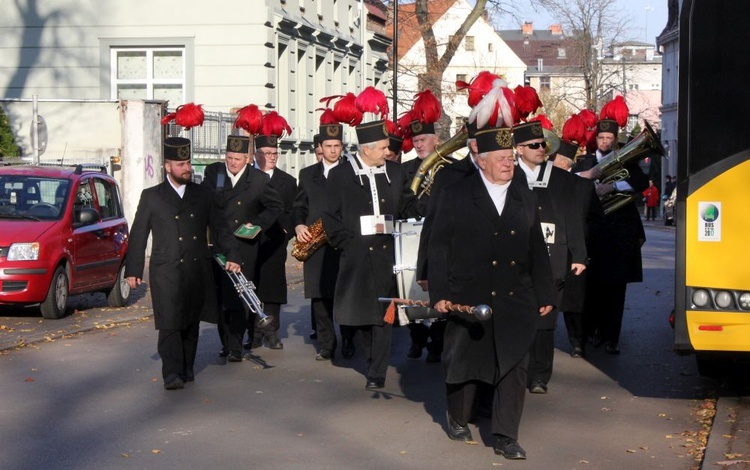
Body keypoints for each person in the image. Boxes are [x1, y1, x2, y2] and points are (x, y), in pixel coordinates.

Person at [428, 125, 554, 459]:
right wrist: (439, 292)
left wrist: (545, 294)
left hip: (515, 295)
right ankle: (458, 416)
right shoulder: (457, 193)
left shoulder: (523, 193)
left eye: (510, 157)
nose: (508, 164)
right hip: (467, 295)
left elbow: (536, 246)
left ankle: (505, 436)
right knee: (464, 362)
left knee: (514, 365)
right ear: (481, 161)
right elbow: (437, 247)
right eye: (500, 158)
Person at [125, 136, 243, 390]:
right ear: (167, 167)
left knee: (191, 321)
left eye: (188, 163)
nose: (187, 168)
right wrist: (133, 270)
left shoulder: (203, 195)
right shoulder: (152, 196)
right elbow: (138, 234)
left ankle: (187, 367)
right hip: (166, 268)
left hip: (196, 267)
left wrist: (233, 255)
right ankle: (171, 373)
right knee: (169, 322)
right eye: (180, 164)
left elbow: (220, 228)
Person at [323, 117, 423, 389]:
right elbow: (330, 216)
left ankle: (377, 371)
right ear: (366, 149)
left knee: (383, 314)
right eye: (382, 148)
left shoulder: (395, 171)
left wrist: (425, 211)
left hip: (388, 253)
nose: (387, 152)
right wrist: (344, 242)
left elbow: (407, 204)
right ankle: (370, 357)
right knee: (361, 315)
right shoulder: (340, 175)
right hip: (356, 254)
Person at [512, 120, 586, 394]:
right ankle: (519, 370)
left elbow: (573, 218)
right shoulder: (509, 175)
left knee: (546, 321)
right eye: (534, 145)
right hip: (518, 259)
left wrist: (579, 254)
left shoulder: (561, 178)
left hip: (553, 259)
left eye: (543, 144)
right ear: (519, 149)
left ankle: (540, 375)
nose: (541, 148)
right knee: (521, 318)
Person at [202, 134, 284, 361]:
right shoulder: (214, 173)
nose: (233, 163)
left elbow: (275, 206)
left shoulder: (258, 179)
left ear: (247, 158)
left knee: (239, 295)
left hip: (244, 245)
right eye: (229, 157)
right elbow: (206, 203)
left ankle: (236, 346)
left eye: (238, 158)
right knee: (220, 297)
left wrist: (257, 224)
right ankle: (226, 342)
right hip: (217, 244)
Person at [573, 111, 648, 354]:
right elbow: (568, 182)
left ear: (615, 140)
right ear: (596, 138)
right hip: (593, 233)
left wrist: (613, 185)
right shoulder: (584, 162)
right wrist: (588, 180)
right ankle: (593, 332)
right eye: (602, 137)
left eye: (609, 138)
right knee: (593, 288)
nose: (605, 142)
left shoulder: (626, 160)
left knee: (617, 290)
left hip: (619, 234)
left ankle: (612, 337)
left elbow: (641, 183)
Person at [292, 119, 355, 361]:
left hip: (343, 244)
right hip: (316, 244)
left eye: (337, 145)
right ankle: (327, 344)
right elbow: (299, 205)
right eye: (328, 145)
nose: (332, 150)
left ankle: (349, 340)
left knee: (346, 294)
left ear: (341, 147)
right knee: (320, 297)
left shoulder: (352, 171)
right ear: (320, 146)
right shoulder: (307, 174)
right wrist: (298, 224)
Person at [253, 132, 297, 349]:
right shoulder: (247, 177)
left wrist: (286, 231)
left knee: (272, 289)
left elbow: (292, 211)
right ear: (256, 154)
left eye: (275, 153)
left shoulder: (287, 181)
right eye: (267, 153)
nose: (272, 157)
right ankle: (252, 332)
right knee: (251, 288)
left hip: (274, 242)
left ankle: (271, 332)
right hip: (249, 243)